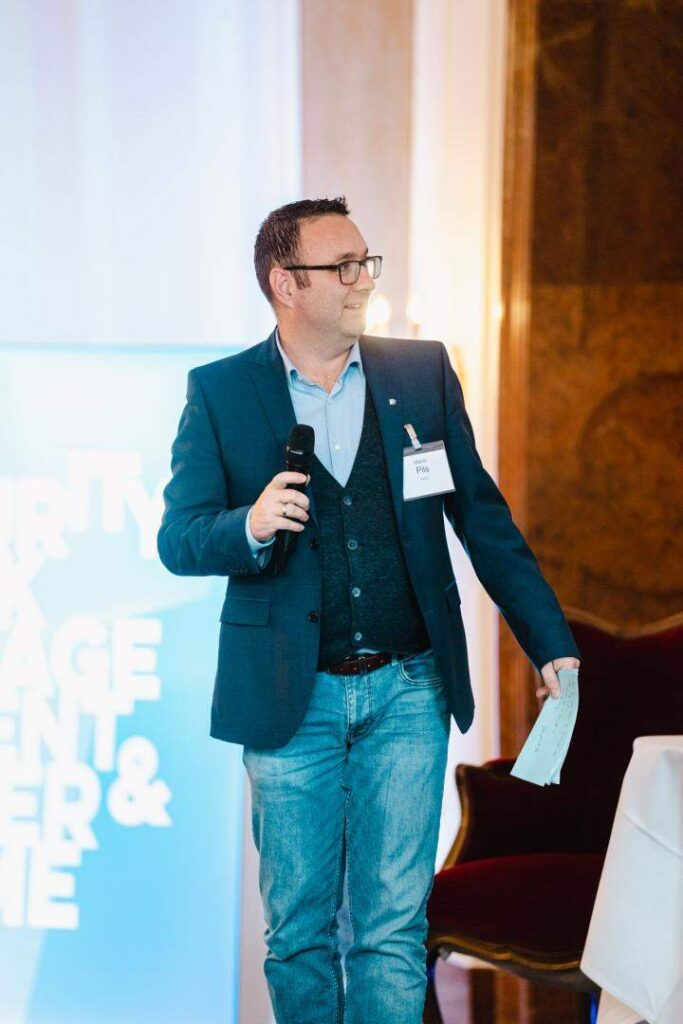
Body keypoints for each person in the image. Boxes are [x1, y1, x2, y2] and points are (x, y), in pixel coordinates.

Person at [157, 196, 580, 1024]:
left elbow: (482, 520)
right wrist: (246, 526)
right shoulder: (220, 393)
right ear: (286, 284)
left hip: (408, 689)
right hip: (290, 697)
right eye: (343, 267)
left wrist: (548, 642)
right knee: (299, 934)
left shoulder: (419, 373)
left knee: (390, 931)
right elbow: (179, 537)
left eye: (366, 263)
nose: (363, 281)